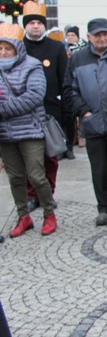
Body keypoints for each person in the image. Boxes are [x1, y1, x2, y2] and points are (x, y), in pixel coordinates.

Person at [63, 17, 107, 226]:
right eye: (97, 35)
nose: (102, 38)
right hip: (94, 124)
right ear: (89, 37)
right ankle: (105, 208)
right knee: (99, 171)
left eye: (105, 34)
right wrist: (84, 111)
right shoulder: (77, 59)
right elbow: (69, 90)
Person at [0, 23, 57, 237]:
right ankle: (23, 217)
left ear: (17, 48)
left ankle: (49, 214)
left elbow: (34, 95)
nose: (4, 52)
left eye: (8, 48)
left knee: (36, 176)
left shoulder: (31, 65)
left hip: (29, 130)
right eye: (0, 48)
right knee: (14, 177)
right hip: (5, 133)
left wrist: (3, 110)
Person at [22, 1, 70, 221]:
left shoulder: (56, 47)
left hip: (50, 112)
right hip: (23, 115)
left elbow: (64, 80)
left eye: (38, 23)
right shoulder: (17, 46)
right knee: (29, 160)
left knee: (50, 158)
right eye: (31, 23)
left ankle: (48, 194)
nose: (35, 26)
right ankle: (32, 196)